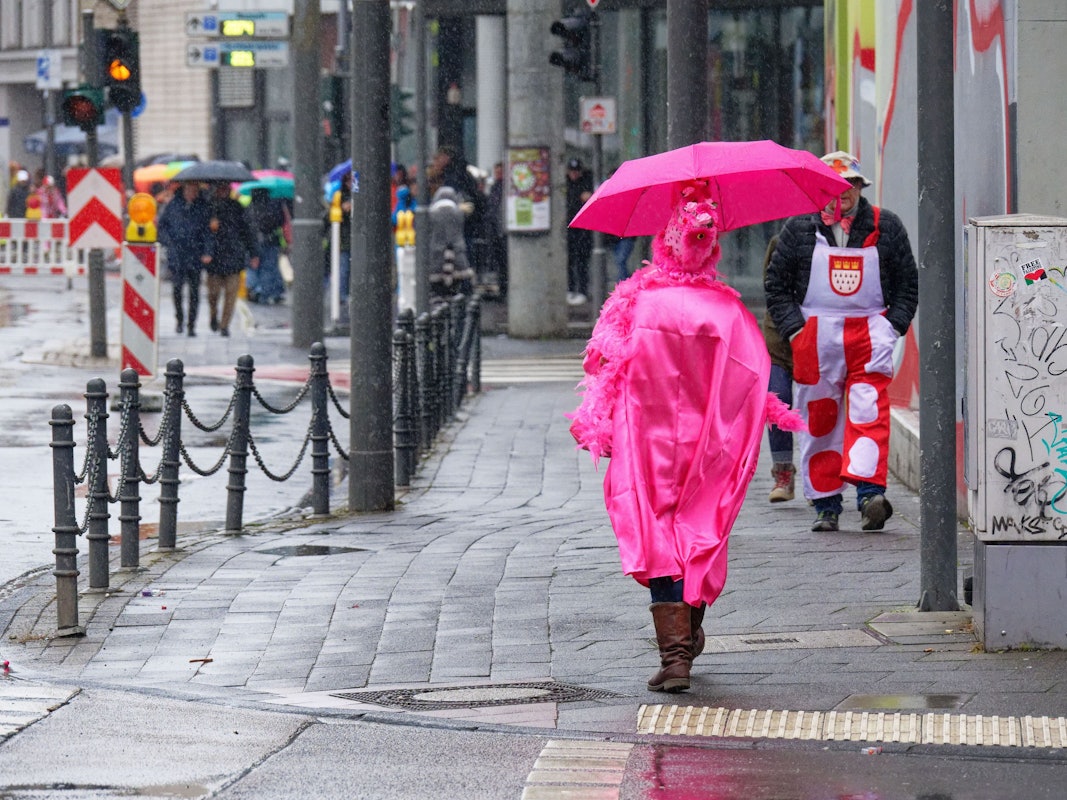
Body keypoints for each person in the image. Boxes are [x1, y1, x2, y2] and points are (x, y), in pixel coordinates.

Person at [569, 182, 805, 693]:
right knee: (698, 533)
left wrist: (602, 424)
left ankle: (675, 657)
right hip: (709, 447)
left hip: (646, 446)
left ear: (662, 243)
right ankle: (689, 628)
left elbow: (601, 366)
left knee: (656, 536)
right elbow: (753, 380)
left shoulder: (636, 306)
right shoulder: (728, 314)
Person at [765, 151, 918, 532]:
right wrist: (797, 332)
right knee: (820, 418)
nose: (842, 193)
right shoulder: (797, 229)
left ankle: (870, 497)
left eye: (850, 185)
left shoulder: (888, 226)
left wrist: (891, 328)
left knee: (869, 414)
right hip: (816, 339)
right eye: (833, 185)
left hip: (870, 334)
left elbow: (907, 286)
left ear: (860, 188)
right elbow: (777, 287)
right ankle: (825, 505)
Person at [761, 234, 796, 502]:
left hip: (820, 337)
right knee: (778, 398)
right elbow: (770, 288)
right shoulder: (781, 240)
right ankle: (782, 473)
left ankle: (820, 480)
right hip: (779, 340)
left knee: (820, 408)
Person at [202, 182, 258, 337]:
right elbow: (201, 232)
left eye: (226, 188)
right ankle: (213, 315)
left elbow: (248, 231)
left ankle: (224, 325)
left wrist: (254, 253)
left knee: (231, 295)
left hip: (234, 257)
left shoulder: (238, 207)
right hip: (214, 258)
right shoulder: (209, 207)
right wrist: (210, 229)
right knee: (213, 294)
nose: (223, 191)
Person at [158, 181, 210, 336]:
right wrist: (169, 242)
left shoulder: (202, 207)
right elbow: (162, 226)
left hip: (195, 255)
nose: (192, 193)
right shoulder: (174, 205)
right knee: (177, 289)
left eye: (194, 190)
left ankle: (191, 324)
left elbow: (207, 232)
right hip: (177, 254)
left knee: (194, 292)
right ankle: (180, 319)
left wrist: (207, 251)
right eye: (189, 189)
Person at [428, 185, 474, 298]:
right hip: (457, 255)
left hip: (436, 256)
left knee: (437, 292)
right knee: (458, 291)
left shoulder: (431, 213)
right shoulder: (458, 212)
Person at [245, 188, 287, 305]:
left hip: (253, 241)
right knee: (268, 268)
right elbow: (280, 221)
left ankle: (253, 289)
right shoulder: (273, 205)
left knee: (252, 266)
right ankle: (264, 292)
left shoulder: (249, 207)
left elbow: (246, 224)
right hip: (271, 241)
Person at [565, 158, 594, 305]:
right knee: (569, 261)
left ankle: (582, 290)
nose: (574, 174)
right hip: (569, 229)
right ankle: (570, 289)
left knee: (582, 262)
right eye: (572, 171)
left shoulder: (586, 183)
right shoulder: (565, 185)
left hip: (583, 230)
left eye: (576, 172)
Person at [483, 161, 508, 298]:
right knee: (500, 262)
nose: (498, 174)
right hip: (495, 229)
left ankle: (504, 288)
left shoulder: (504, 188)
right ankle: (502, 288)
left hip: (501, 228)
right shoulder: (495, 187)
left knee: (504, 262)